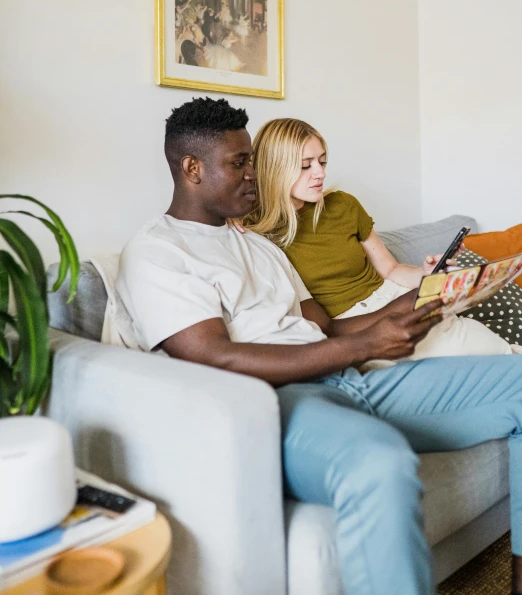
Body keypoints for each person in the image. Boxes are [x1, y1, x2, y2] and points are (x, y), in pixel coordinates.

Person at [116, 97, 522, 595]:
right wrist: (365, 346)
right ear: (192, 168)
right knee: (381, 464)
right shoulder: (158, 251)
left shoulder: (259, 246)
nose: (253, 175)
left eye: (253, 161)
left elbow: (326, 330)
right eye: (239, 163)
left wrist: (418, 301)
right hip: (282, 401)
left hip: (352, 382)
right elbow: (212, 356)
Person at [242, 117, 518, 364]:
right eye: (306, 165)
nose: (320, 173)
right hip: (357, 328)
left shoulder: (343, 205)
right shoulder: (254, 232)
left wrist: (426, 273)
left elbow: (391, 270)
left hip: (397, 299)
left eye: (322, 161)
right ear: (274, 168)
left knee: (498, 354)